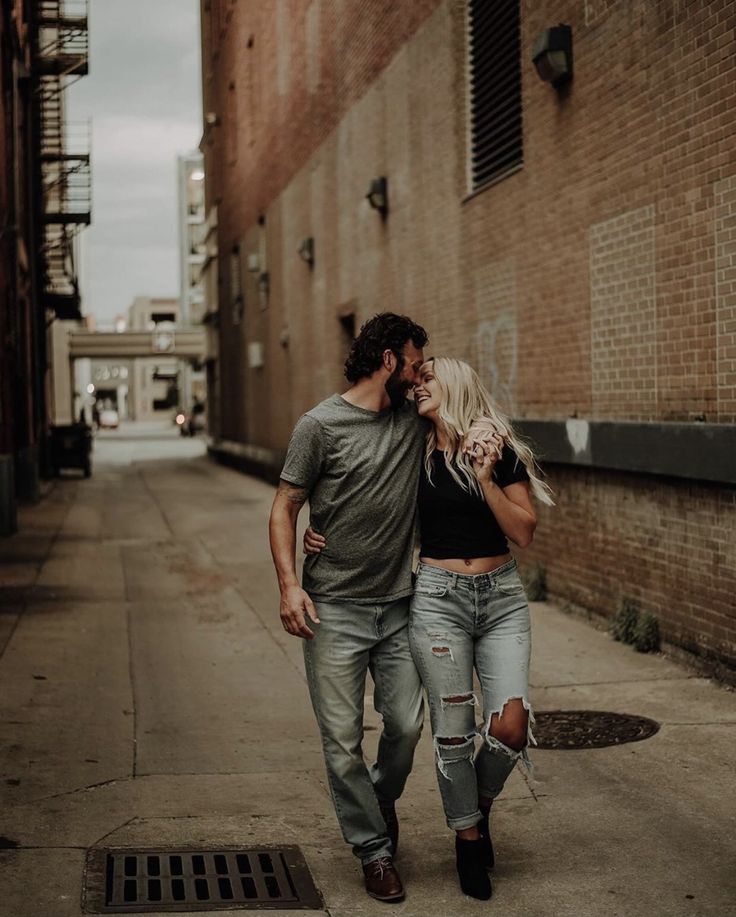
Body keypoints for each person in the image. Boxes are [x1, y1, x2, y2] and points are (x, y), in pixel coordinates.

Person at [305, 356, 553, 900]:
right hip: (438, 601)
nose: (418, 387)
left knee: (510, 725)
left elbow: (525, 531)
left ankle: (479, 809)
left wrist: (485, 478)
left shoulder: (494, 446)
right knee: (452, 733)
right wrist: (321, 532)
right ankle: (466, 841)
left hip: (502, 598)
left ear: (456, 384)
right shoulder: (411, 449)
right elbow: (361, 493)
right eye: (416, 380)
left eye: (428, 378)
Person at [268, 313, 429, 903]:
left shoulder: (416, 418)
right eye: (413, 362)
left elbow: (461, 403)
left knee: (408, 726)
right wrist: (290, 584)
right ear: (387, 359)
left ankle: (379, 799)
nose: (418, 374)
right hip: (333, 607)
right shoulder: (320, 425)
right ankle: (373, 850)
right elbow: (285, 505)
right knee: (341, 740)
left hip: (399, 606)